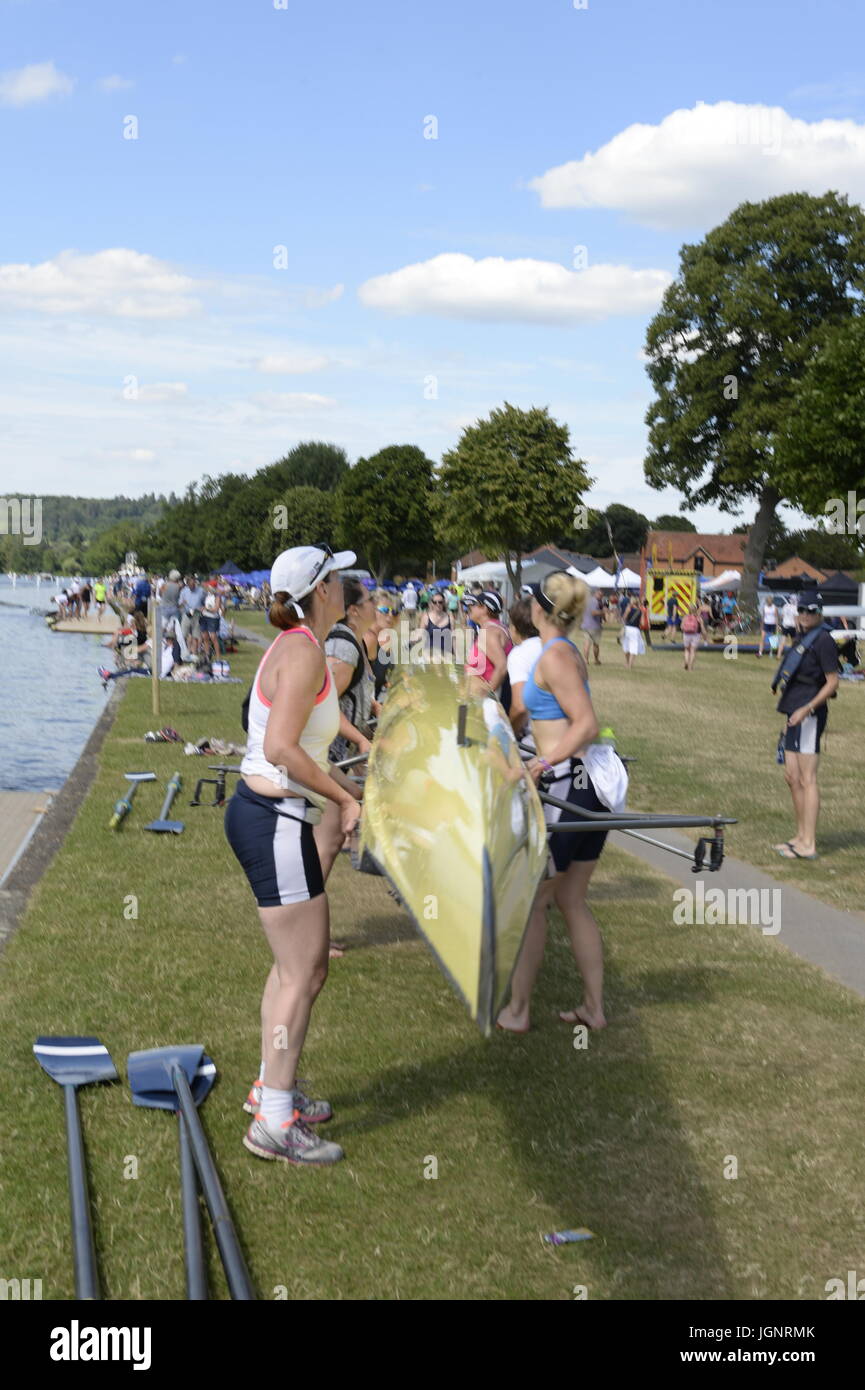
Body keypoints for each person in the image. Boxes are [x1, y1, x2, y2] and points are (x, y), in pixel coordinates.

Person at [223, 544, 361, 1166]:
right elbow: (281, 748)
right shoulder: (305, 650)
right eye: (340, 575)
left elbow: (295, 743)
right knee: (305, 972)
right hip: (273, 819)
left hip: (270, 816)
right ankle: (275, 1121)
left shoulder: (301, 646)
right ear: (322, 588)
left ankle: (269, 1091)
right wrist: (344, 798)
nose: (348, 582)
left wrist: (344, 787)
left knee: (291, 970)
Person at [496, 571, 608, 1034]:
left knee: (533, 901)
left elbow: (587, 725)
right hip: (584, 788)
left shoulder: (555, 655)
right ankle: (593, 1009)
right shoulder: (566, 652)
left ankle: (518, 1011)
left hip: (566, 788)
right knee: (571, 900)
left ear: (538, 610)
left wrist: (541, 763)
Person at [772, 596, 840, 861]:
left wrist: (807, 708)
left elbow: (832, 682)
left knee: (807, 779)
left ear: (820, 612)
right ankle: (799, 837)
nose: (804, 614)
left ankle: (809, 844)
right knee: (792, 777)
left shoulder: (823, 640)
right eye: (801, 610)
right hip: (793, 712)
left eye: (810, 611)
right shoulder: (803, 636)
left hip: (809, 714)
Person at [465, 590, 513, 705]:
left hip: (485, 699)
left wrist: (486, 697)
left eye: (474, 605)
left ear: (484, 608)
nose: (470, 607)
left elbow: (502, 666)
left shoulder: (489, 632)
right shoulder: (499, 627)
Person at [507, 597, 542, 739]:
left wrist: (510, 733)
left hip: (540, 739)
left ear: (515, 627)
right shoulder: (563, 646)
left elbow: (519, 706)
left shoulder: (520, 654)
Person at [366, 592, 396, 698]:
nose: (391, 615)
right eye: (385, 610)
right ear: (371, 610)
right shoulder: (368, 639)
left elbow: (383, 677)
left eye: (394, 612)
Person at [414, 588, 454, 659]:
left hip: (445, 653)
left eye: (440, 602)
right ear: (431, 603)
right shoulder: (426, 617)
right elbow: (420, 635)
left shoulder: (449, 617)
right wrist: (411, 642)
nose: (437, 604)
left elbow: (453, 638)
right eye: (435, 602)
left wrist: (456, 655)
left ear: (444, 603)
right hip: (430, 654)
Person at [620, 593, 645, 669]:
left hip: (627, 628)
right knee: (633, 647)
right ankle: (630, 665)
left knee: (626, 646)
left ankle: (627, 663)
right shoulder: (640, 611)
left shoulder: (628, 609)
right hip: (635, 630)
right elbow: (642, 623)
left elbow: (623, 619)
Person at [199, 585, 222, 668]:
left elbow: (216, 609)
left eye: (210, 588)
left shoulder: (217, 596)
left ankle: (218, 657)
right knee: (205, 637)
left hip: (213, 618)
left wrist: (206, 609)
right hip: (204, 617)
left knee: (213, 637)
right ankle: (207, 655)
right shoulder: (207, 595)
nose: (208, 589)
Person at [581, 589, 605, 666]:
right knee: (595, 644)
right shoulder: (595, 602)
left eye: (602, 595)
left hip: (585, 625)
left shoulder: (587, 601)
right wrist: (604, 612)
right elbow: (594, 613)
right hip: (594, 626)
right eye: (600, 595)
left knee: (586, 643)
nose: (601, 597)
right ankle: (596, 660)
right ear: (595, 594)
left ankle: (585, 660)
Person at [681, 603, 706, 671]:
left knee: (686, 650)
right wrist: (705, 636)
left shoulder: (685, 617)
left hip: (686, 634)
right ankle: (690, 666)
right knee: (693, 651)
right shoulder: (698, 618)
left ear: (689, 610)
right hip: (696, 635)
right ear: (696, 610)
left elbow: (682, 627)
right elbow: (702, 628)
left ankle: (686, 661)